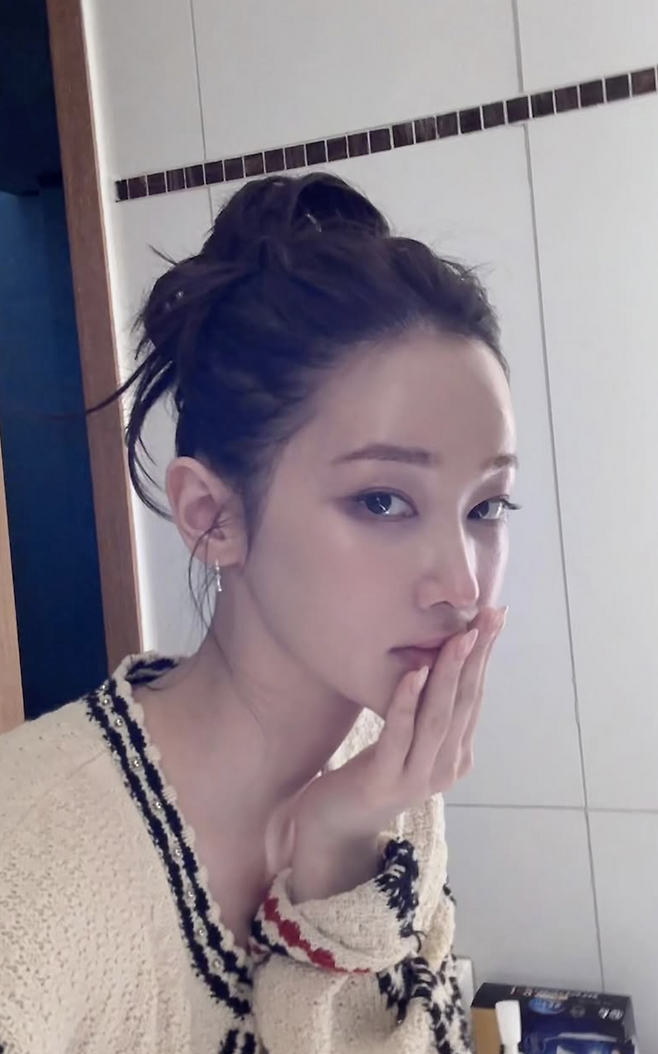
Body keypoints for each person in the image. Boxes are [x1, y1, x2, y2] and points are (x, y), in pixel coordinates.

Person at [0, 173, 517, 1054]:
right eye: (383, 500)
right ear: (213, 516)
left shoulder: (391, 783)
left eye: (487, 506)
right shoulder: (28, 859)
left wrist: (340, 848)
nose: (463, 587)